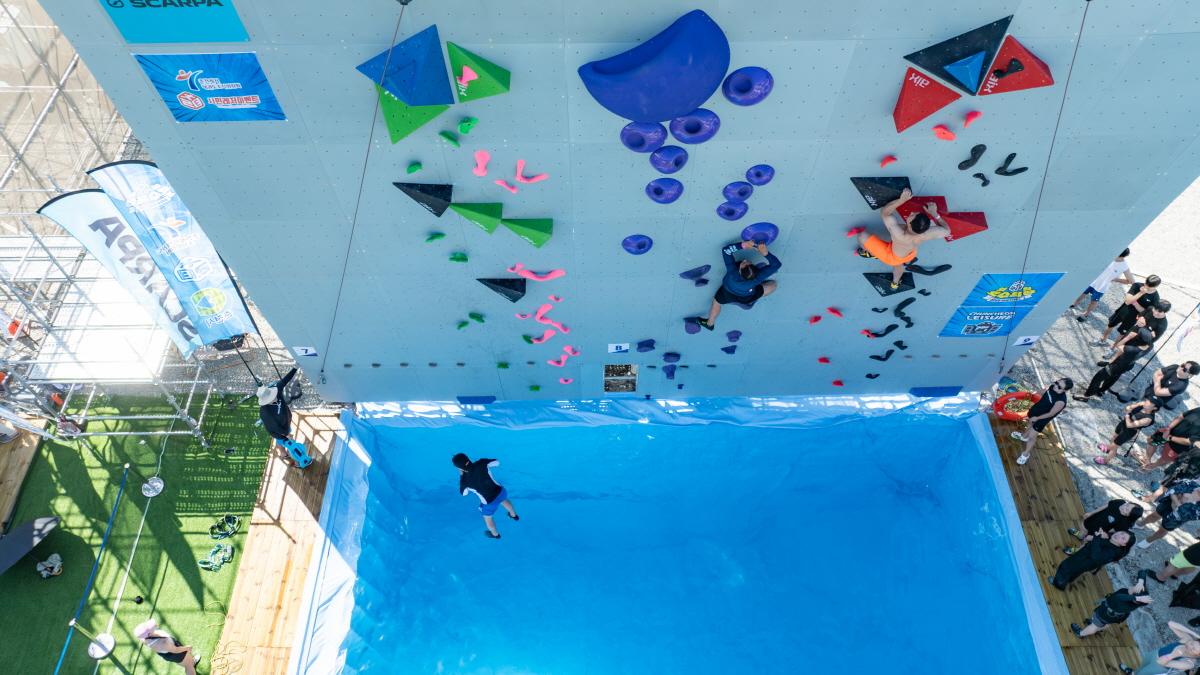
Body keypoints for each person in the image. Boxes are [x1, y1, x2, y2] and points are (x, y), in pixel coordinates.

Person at [856, 188, 950, 289]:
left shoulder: (899, 234)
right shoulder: (926, 233)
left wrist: (901, 200)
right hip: (910, 254)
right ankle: (895, 283)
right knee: (899, 263)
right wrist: (935, 214)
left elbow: (884, 213)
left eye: (912, 215)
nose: (912, 212)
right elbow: (947, 231)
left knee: (861, 236)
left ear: (909, 224)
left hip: (892, 257)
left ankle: (869, 253)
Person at [695, 240, 781, 330]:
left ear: (739, 271)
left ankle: (710, 324)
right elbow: (776, 265)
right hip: (747, 297)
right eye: (747, 262)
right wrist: (765, 253)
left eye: (744, 263)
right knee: (773, 284)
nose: (745, 260)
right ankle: (750, 303)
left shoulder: (733, 272)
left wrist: (743, 245)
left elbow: (726, 251)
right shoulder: (758, 277)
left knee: (716, 302)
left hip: (727, 293)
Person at [1075, 315, 1159, 403]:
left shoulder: (1132, 349)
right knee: (1113, 377)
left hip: (1118, 364)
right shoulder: (1150, 346)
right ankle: (1101, 391)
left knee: (1098, 377)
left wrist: (1129, 337)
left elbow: (1119, 346)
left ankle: (1087, 395)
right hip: (1128, 365)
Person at [453, 453, 519, 539]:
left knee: (488, 519)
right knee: (504, 500)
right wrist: (479, 462)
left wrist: (462, 476)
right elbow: (497, 462)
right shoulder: (481, 463)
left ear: (459, 468)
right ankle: (514, 515)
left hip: (489, 502)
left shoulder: (465, 481)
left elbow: (463, 493)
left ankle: (495, 535)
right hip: (500, 491)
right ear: (468, 458)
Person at [1009, 378, 1072, 465]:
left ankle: (1025, 454)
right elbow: (1044, 391)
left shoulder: (1061, 401)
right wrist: (1034, 393)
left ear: (1065, 390)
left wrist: (1037, 418)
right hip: (1036, 410)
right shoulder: (1053, 387)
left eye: (1059, 387)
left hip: (1042, 419)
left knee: (1032, 437)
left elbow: (1051, 413)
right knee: (1029, 423)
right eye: (1057, 382)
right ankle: (1024, 436)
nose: (1056, 386)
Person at [1071, 573, 1152, 638]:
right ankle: (1098, 627)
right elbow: (1143, 571)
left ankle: (1080, 633)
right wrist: (1141, 582)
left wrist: (1137, 597)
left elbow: (1118, 597)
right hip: (1113, 617)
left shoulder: (1124, 604)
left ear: (1134, 597)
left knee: (1094, 626)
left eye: (1136, 589)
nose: (1134, 586)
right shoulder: (1136, 601)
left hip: (1105, 614)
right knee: (1105, 624)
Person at [1048, 529, 1133, 590]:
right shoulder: (1111, 541)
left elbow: (1096, 556)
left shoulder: (1112, 552)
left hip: (1083, 561)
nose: (1119, 535)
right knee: (1073, 572)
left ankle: (1058, 584)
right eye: (1121, 533)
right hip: (1083, 558)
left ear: (1124, 544)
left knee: (1065, 567)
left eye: (1123, 538)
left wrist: (1097, 538)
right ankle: (1067, 580)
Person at [1070, 248, 1134, 321]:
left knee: (1094, 301)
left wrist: (1116, 279)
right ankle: (1074, 304)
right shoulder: (1108, 256)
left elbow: (1131, 281)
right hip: (1092, 281)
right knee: (1082, 293)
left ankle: (1086, 314)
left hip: (1101, 287)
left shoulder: (1124, 266)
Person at [1098, 275, 1162, 345]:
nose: (1146, 286)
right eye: (1146, 283)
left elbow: (1145, 312)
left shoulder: (1155, 297)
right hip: (1123, 311)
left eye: (1149, 286)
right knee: (1110, 325)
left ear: (1156, 286)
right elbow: (1127, 301)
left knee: (1122, 333)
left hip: (1133, 318)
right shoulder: (1137, 285)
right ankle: (1103, 339)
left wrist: (1135, 303)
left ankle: (1113, 347)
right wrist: (1141, 293)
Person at [1136, 479, 1200, 549]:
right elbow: (1172, 490)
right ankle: (1140, 525)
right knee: (1154, 515)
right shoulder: (1192, 484)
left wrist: (1177, 501)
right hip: (1168, 504)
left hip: (1177, 518)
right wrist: (1178, 504)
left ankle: (1149, 541)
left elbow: (1191, 515)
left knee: (1163, 529)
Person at [1118, 620, 1200, 674]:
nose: (1190, 646)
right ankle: (1133, 673)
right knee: (1141, 667)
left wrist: (1173, 655)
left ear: (1198, 654)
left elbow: (1160, 662)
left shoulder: (1189, 663)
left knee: (1142, 673)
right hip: (1155, 653)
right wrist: (1194, 634)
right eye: (1192, 643)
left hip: (1158, 667)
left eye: (1194, 649)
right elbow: (1171, 624)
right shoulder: (1187, 639)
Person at [1065, 499, 1144, 553]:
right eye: (1127, 505)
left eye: (1127, 510)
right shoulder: (1120, 502)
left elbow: (1112, 531)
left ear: (1128, 516)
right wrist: (1091, 513)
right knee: (1083, 528)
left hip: (1098, 531)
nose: (1124, 507)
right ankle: (1080, 535)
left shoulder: (1124, 523)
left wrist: (1102, 535)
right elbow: (1105, 506)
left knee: (1087, 542)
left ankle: (1078, 550)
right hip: (1093, 520)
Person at [1094, 399, 1158, 465]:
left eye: (1150, 403)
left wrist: (1127, 416)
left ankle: (1106, 460)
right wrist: (1135, 405)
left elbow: (1129, 425)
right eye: (1148, 400)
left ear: (1155, 408)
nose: (1147, 402)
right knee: (1114, 438)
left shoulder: (1148, 419)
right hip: (1122, 424)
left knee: (1115, 445)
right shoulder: (1142, 406)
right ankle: (1110, 450)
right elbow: (1126, 409)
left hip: (1129, 432)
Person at [134, 619, 200, 675]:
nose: (155, 625)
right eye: (150, 628)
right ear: (149, 634)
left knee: (186, 661)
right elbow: (175, 650)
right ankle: (191, 664)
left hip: (170, 653)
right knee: (188, 665)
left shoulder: (144, 639)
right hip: (176, 653)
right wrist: (187, 648)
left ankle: (191, 661)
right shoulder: (163, 642)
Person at [1123, 361, 1198, 408]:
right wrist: (1157, 383)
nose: (1181, 368)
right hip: (1151, 387)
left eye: (1184, 369)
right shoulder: (1175, 367)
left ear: (1190, 375)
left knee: (1141, 408)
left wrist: (1158, 380)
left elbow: (1158, 392)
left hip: (1157, 399)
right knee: (1138, 396)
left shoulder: (1181, 386)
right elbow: (1156, 373)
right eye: (1183, 365)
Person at [257, 367, 299, 441]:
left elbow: (284, 380)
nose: (275, 396)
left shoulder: (276, 391)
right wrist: (287, 434)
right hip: (279, 431)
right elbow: (277, 429)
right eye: (272, 398)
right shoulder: (266, 414)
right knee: (286, 435)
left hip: (286, 419)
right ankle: (282, 444)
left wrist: (295, 368)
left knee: (288, 426)